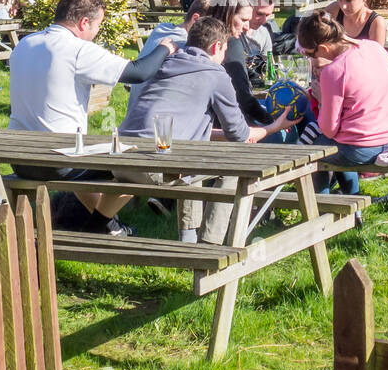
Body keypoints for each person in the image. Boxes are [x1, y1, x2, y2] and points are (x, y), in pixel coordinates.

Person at [7, 0, 174, 235]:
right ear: (84, 22)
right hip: (60, 160)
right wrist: (165, 48)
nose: (96, 33)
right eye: (97, 26)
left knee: (84, 155)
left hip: (19, 158)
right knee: (136, 168)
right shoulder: (77, 50)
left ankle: (110, 226)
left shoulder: (25, 44)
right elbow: (139, 73)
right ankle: (98, 224)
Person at [120, 17, 292, 243]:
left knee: (195, 157)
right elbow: (240, 136)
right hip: (153, 163)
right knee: (233, 168)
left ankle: (189, 239)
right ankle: (211, 242)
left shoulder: (167, 62)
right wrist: (274, 127)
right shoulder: (215, 74)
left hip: (122, 154)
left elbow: (187, 129)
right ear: (216, 47)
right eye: (225, 51)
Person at [296, 12, 388, 195]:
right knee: (338, 142)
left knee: (313, 149)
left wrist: (322, 100)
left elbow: (328, 129)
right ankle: (352, 205)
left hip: (361, 149)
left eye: (309, 54)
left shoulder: (334, 71)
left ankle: (323, 209)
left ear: (323, 48)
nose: (310, 60)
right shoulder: (374, 48)